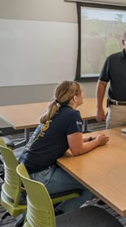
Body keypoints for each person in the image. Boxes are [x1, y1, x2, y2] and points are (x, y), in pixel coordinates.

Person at [19, 81, 109, 212]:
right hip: (39, 177)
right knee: (90, 185)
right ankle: (59, 216)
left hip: (25, 172)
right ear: (75, 98)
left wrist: (89, 138)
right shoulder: (73, 115)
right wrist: (97, 142)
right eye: (82, 92)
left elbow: (69, 139)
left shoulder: (56, 111)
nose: (84, 94)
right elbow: (77, 150)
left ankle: (54, 209)